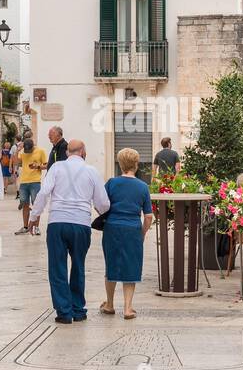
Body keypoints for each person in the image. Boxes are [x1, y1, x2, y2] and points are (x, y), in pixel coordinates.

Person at [31, 139, 110, 323]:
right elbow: (103, 204)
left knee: (57, 267)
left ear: (67, 152)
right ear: (83, 152)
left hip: (57, 222)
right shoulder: (92, 171)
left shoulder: (56, 168)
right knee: (78, 266)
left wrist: (34, 216)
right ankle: (78, 310)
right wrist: (101, 212)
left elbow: (43, 193)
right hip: (81, 224)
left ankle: (64, 312)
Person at [100, 148, 154, 319]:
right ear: (136, 165)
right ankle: (128, 308)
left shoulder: (111, 183)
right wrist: (143, 233)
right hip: (132, 229)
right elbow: (148, 216)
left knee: (111, 264)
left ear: (120, 164)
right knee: (131, 266)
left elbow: (101, 205)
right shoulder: (143, 187)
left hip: (112, 228)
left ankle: (109, 304)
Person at [15, 136, 47, 235]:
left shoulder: (40, 151)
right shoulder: (23, 151)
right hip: (24, 182)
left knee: (36, 205)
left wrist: (37, 166)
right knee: (25, 204)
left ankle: (36, 227)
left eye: (29, 150)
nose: (27, 152)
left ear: (33, 146)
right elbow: (17, 162)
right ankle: (25, 227)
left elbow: (46, 165)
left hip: (35, 182)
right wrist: (17, 151)